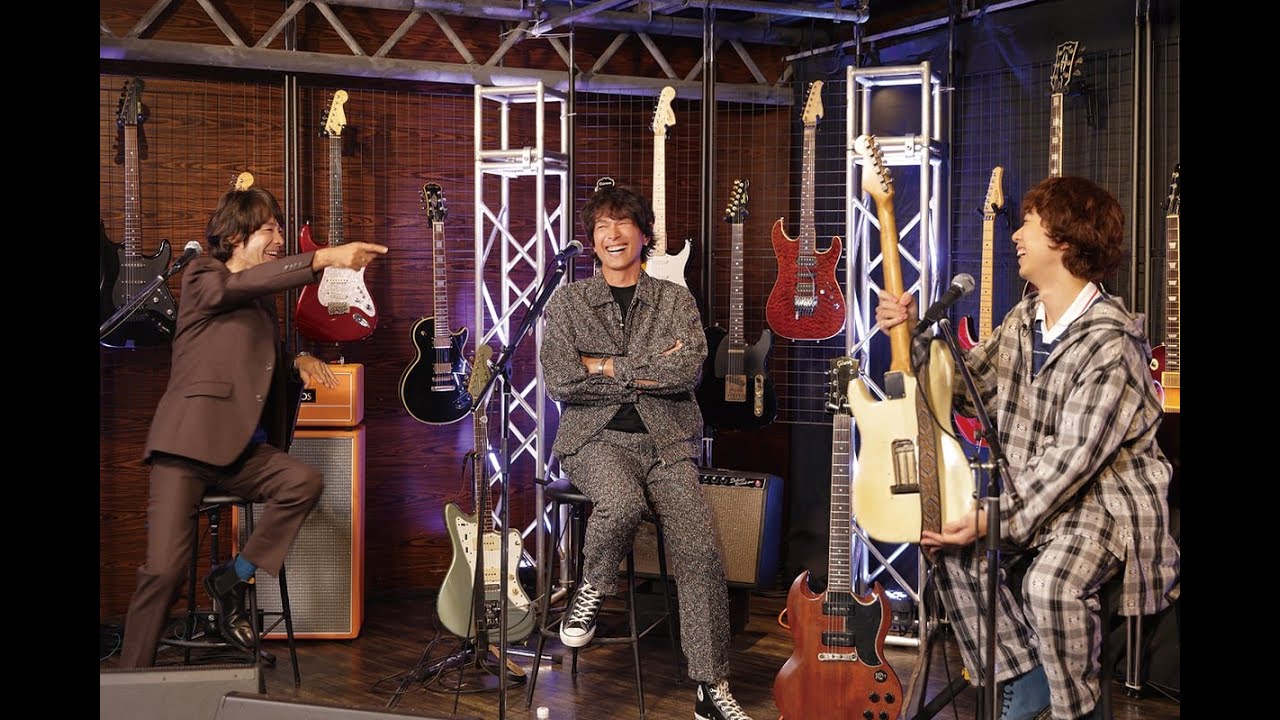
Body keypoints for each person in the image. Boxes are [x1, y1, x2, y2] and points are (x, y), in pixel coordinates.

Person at [875, 176, 1179, 720]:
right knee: (945, 545)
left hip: (1102, 508)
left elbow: (1071, 462)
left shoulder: (1112, 342)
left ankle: (1073, 710)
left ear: (1064, 240)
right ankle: (1024, 676)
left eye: (1028, 226)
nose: (1015, 236)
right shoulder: (1023, 321)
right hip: (1031, 499)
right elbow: (965, 390)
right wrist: (912, 336)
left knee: (1050, 583)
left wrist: (990, 518)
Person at [119, 185, 389, 668]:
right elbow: (235, 288)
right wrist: (324, 258)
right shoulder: (203, 276)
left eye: (280, 229)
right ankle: (129, 680)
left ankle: (232, 576)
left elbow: (253, 362)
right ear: (235, 237)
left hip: (241, 455)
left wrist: (296, 361)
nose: (279, 239)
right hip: (187, 450)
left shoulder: (261, 308)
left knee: (303, 481)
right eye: (269, 229)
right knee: (164, 573)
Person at [539, 184, 754, 720]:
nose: (612, 236)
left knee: (700, 553)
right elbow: (561, 381)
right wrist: (644, 369)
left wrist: (603, 365)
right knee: (621, 503)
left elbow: (685, 371)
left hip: (667, 443)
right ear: (592, 240)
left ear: (643, 234)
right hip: (595, 440)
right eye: (601, 227)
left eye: (623, 224)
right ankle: (592, 587)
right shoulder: (568, 302)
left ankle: (711, 687)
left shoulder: (675, 300)